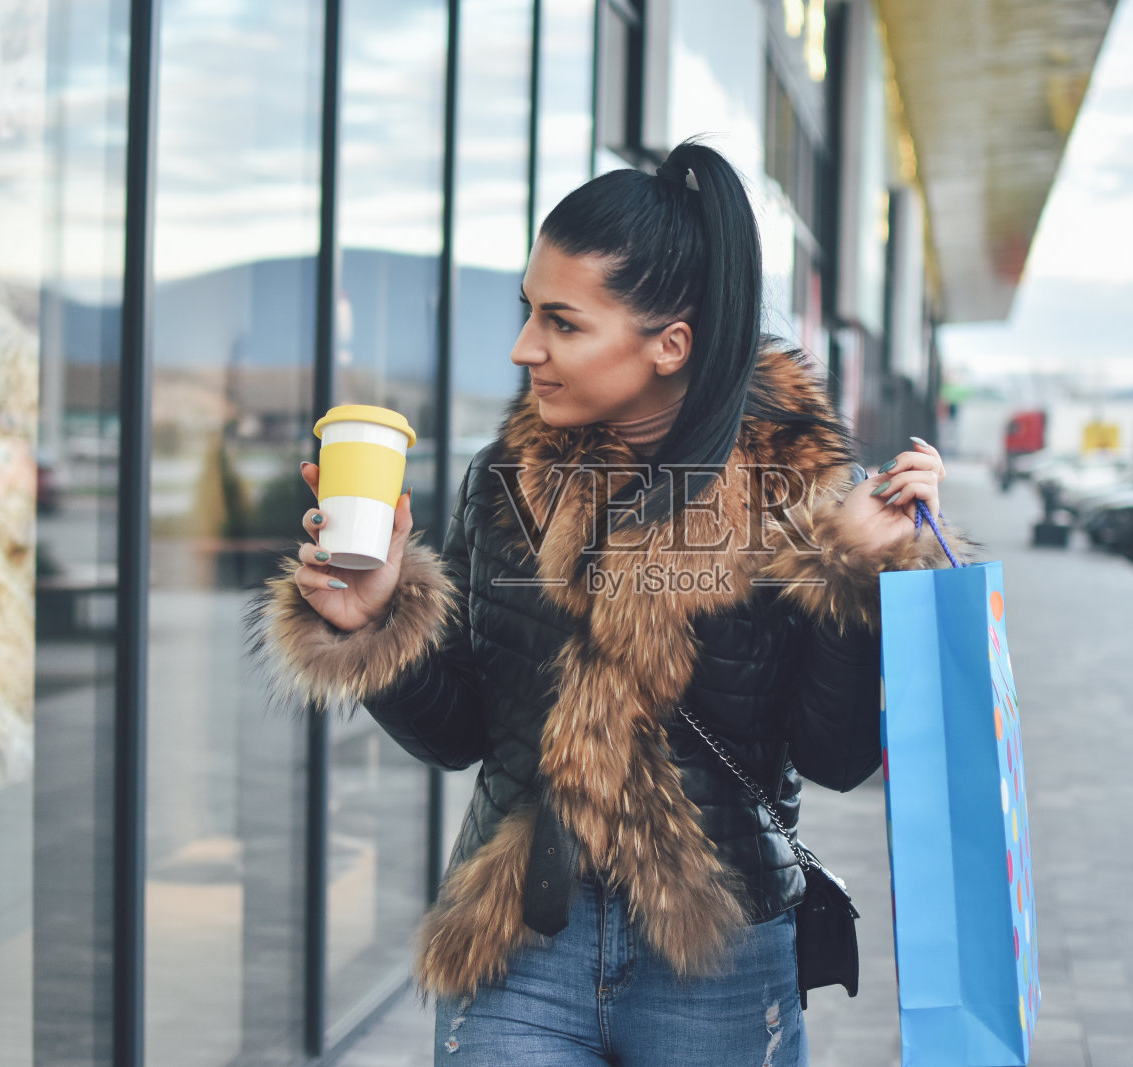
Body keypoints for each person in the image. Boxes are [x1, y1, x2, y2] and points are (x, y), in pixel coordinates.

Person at [256, 140, 962, 1066]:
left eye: (562, 322)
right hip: (519, 935)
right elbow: (462, 733)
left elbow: (834, 757)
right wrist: (380, 620)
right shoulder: (505, 482)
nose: (525, 348)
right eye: (528, 310)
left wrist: (861, 572)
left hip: (716, 957)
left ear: (671, 344)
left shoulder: (802, 495)